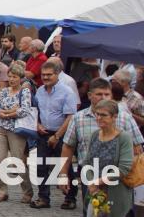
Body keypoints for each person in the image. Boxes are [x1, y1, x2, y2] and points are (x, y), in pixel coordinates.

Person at [59, 77, 143, 212]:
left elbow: (137, 149)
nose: (103, 97)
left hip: (119, 179)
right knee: (92, 211)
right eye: (99, 94)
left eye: (107, 94)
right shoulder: (79, 118)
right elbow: (68, 147)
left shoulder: (124, 116)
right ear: (90, 95)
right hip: (90, 176)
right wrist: (63, 174)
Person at [72, 100, 135, 216]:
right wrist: (91, 183)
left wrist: (99, 181)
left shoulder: (124, 138)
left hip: (116, 193)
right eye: (97, 114)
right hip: (95, 192)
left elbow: (124, 169)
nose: (99, 118)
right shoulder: (95, 135)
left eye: (104, 115)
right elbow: (87, 162)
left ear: (114, 117)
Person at [30, 60, 78, 209]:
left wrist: (57, 136)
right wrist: (37, 124)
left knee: (65, 166)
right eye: (43, 74)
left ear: (57, 74)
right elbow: (36, 111)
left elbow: (70, 116)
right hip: (43, 134)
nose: (45, 77)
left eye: (49, 75)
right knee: (41, 166)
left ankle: (70, 198)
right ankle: (43, 198)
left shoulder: (67, 91)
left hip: (62, 134)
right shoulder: (39, 91)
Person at [0, 64, 34, 204]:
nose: (11, 79)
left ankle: (27, 191)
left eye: (14, 77)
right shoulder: (3, 91)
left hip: (16, 130)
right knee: (0, 160)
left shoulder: (25, 92)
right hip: (1, 129)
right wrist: (10, 112)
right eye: (9, 76)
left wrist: (7, 113)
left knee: (17, 161)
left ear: (20, 78)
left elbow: (25, 110)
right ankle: (2, 191)